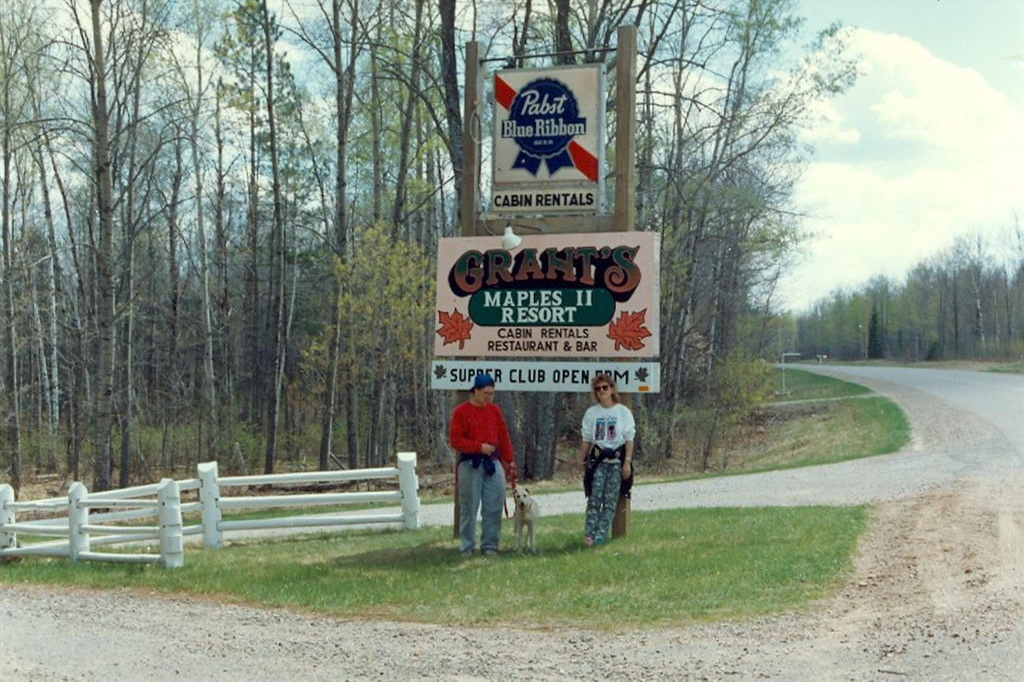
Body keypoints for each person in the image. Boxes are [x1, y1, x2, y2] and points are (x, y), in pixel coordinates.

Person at [449, 373, 517, 556]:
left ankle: (490, 545)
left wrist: (509, 461)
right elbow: (456, 440)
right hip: (470, 462)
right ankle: (467, 546)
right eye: (486, 393)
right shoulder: (461, 412)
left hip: (493, 462)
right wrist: (478, 447)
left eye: (492, 394)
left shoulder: (494, 411)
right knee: (469, 507)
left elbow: (503, 437)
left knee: (494, 505)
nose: (490, 397)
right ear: (476, 391)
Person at [578, 373, 635, 547]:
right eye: (598, 388)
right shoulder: (592, 413)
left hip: (617, 461)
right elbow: (587, 438)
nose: (602, 391)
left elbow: (629, 438)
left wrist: (627, 462)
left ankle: (600, 535)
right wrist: (582, 460)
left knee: (610, 501)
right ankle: (589, 535)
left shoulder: (622, 412)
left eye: (605, 387)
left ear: (612, 389)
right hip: (598, 461)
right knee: (595, 498)